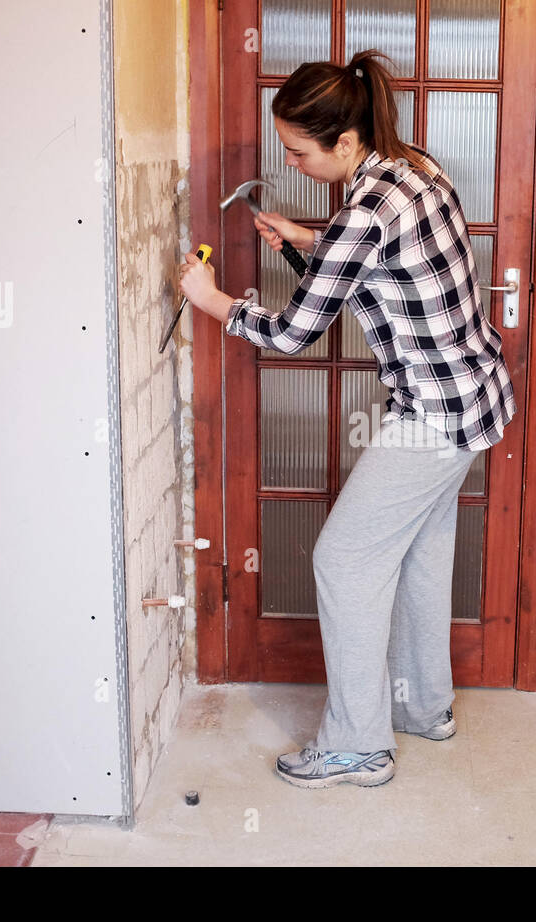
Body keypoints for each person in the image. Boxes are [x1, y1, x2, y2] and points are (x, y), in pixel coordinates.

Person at [178, 48, 516, 789]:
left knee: (344, 560)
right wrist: (308, 242)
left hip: (432, 414)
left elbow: (299, 332)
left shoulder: (363, 213)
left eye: (301, 152)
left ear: (345, 141)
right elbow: (384, 268)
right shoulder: (412, 165)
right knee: (420, 556)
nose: (293, 164)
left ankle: (360, 746)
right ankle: (424, 709)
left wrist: (212, 303)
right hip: (474, 399)